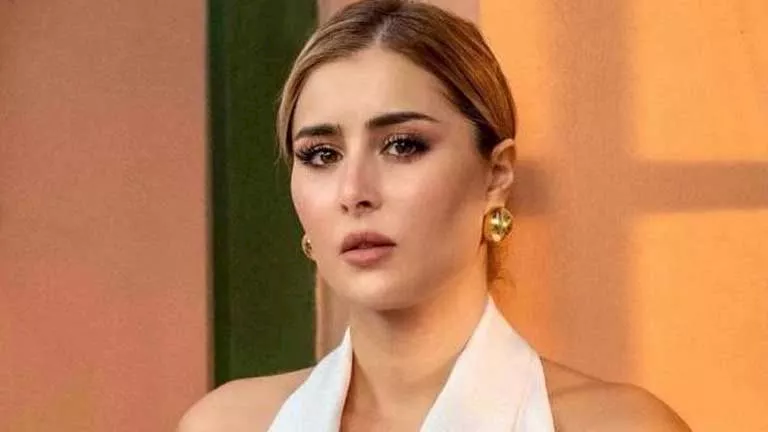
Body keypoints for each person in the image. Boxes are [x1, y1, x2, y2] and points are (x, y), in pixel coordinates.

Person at [179, 0, 691, 430]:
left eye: (402, 145)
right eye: (321, 154)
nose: (354, 192)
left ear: (496, 175)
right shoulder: (226, 424)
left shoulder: (620, 424)